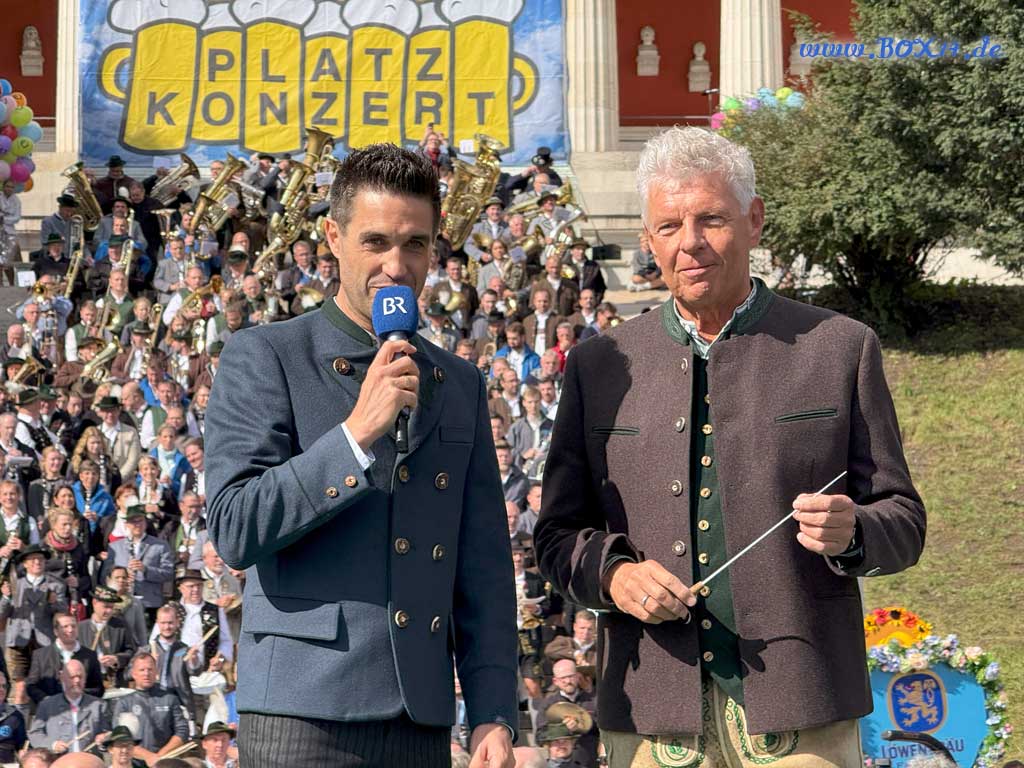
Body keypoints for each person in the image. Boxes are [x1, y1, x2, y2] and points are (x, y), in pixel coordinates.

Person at [533, 127, 927, 767]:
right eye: (668, 226)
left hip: (805, 702)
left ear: (754, 221)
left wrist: (854, 531)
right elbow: (555, 536)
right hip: (650, 708)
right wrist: (614, 575)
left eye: (710, 219)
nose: (688, 242)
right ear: (648, 240)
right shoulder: (598, 364)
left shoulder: (840, 347)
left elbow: (903, 522)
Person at [206, 143, 516, 768]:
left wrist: (492, 710)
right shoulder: (265, 355)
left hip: (420, 715)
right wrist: (355, 436)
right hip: (300, 713)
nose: (395, 266)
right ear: (332, 237)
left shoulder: (459, 383)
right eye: (375, 242)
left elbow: (483, 567)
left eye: (415, 244)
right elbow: (236, 528)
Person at [1, 544, 69, 705]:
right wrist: (5, 597)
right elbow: (2, 613)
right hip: (17, 642)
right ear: (25, 564)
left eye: (40, 559)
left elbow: (63, 610)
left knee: (43, 684)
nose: (37, 562)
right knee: (19, 686)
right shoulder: (15, 584)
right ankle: (20, 718)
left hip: (44, 642)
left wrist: (53, 603)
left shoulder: (56, 585)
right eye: (32, 559)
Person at [110, 653, 190, 762]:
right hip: (135, 762)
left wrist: (160, 756)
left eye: (150, 669)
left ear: (156, 672)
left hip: (165, 760)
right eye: (142, 670)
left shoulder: (170, 699)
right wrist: (148, 756)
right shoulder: (124, 703)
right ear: (133, 674)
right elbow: (120, 737)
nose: (146, 673)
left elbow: (182, 731)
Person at [27, 659, 109, 754]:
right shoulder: (47, 705)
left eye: (80, 677)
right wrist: (52, 745)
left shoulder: (99, 705)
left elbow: (109, 733)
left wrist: (104, 738)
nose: (77, 680)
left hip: (89, 760)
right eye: (72, 677)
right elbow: (35, 734)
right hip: (59, 760)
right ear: (62, 678)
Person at [0, 671, 28, 761]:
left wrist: (23, 752)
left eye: (4, 686)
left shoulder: (15, 716)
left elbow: (22, 745)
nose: (2, 689)